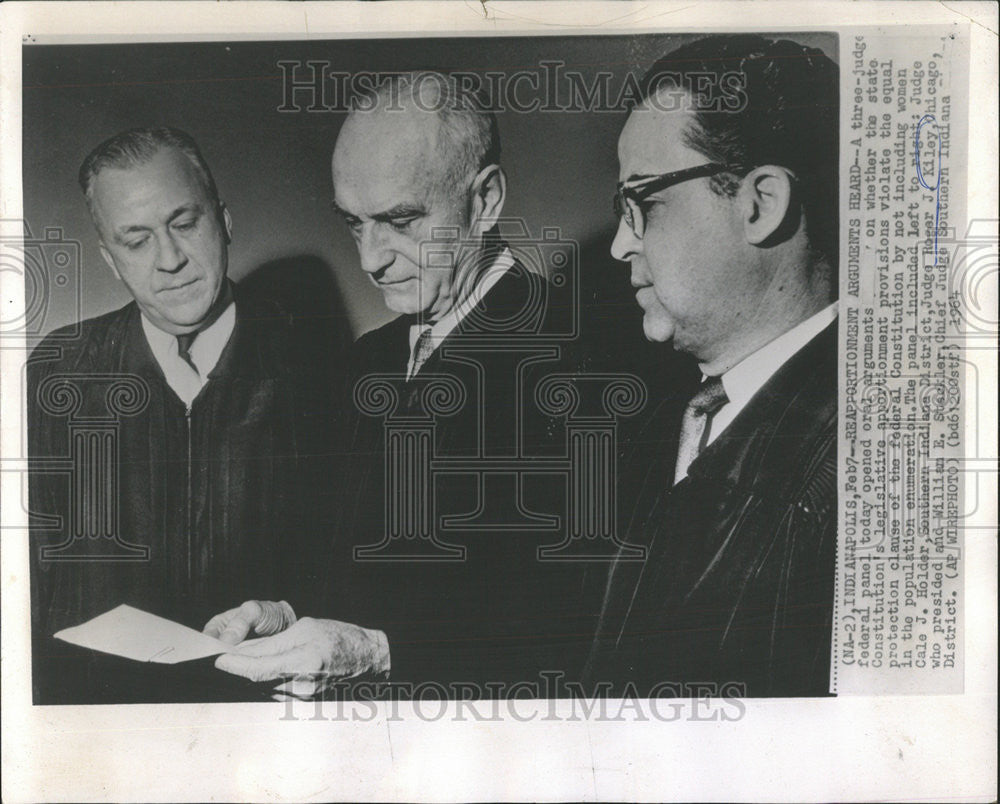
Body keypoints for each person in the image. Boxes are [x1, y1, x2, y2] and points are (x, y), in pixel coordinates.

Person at [207, 73, 591, 693]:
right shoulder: (371, 360)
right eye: (354, 224)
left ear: (486, 199)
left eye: (401, 221)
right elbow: (355, 565)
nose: (369, 258)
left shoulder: (575, 365)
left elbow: (579, 625)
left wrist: (380, 652)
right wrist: (285, 614)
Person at [28, 127, 335, 700]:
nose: (169, 260)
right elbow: (28, 590)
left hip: (265, 724)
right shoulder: (58, 373)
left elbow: (352, 576)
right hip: (101, 731)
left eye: (185, 223)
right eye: (136, 241)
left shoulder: (321, 369)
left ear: (224, 221)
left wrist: (288, 610)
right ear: (109, 259)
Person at [582, 34, 840, 697]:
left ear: (761, 204)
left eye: (643, 201)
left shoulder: (857, 469)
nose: (619, 245)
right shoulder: (663, 424)